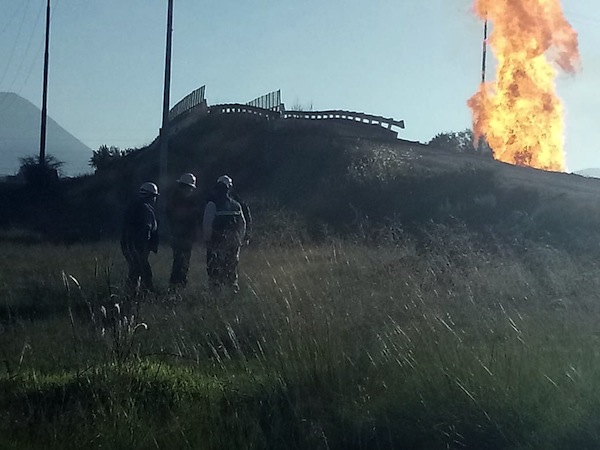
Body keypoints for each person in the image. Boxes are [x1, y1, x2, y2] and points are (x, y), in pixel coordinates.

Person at [203, 175, 247, 293]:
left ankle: (216, 292)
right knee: (231, 267)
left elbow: (207, 224)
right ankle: (231, 290)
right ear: (230, 188)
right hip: (233, 242)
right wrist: (239, 240)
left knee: (215, 268)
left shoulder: (212, 205)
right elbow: (242, 224)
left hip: (216, 242)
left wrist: (207, 240)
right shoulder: (236, 205)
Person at [120, 182, 159, 292]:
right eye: (154, 196)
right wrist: (144, 247)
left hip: (128, 245)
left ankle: (132, 295)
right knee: (145, 273)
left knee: (135, 271)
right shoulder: (146, 209)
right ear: (151, 196)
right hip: (138, 247)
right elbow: (146, 229)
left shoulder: (132, 207)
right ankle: (145, 295)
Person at [166, 172, 198, 287]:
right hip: (182, 237)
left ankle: (176, 285)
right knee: (181, 263)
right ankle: (177, 286)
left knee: (180, 262)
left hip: (178, 236)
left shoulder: (174, 198)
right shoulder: (183, 201)